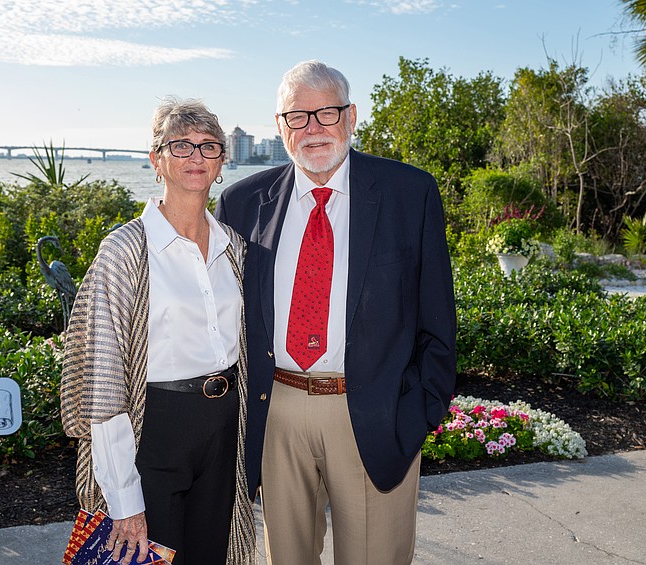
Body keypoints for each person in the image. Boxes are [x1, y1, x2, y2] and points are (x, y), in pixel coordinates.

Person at [215, 60, 456, 564]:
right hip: (277, 410)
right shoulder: (241, 203)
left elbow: (437, 319)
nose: (313, 129)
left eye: (326, 113)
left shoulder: (409, 194)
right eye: (297, 117)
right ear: (279, 128)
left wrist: (418, 412)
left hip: (371, 410)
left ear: (350, 117)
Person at [61, 97, 255, 565]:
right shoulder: (125, 250)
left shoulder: (235, 247)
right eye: (180, 146)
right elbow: (102, 377)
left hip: (224, 425)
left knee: (211, 554)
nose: (196, 157)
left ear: (222, 161)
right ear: (156, 159)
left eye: (209, 146)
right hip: (155, 426)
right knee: (144, 554)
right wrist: (123, 500)